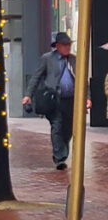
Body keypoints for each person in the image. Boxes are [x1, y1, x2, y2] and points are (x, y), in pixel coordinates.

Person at [23, 32, 91, 170]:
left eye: (69, 45)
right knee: (57, 126)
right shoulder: (47, 59)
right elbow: (36, 77)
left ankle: (61, 150)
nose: (67, 48)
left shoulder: (74, 60)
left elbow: (83, 80)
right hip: (54, 99)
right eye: (65, 45)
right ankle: (60, 157)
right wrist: (28, 95)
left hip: (71, 100)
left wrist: (87, 97)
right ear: (57, 46)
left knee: (69, 128)